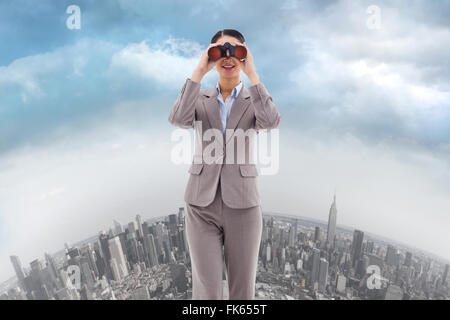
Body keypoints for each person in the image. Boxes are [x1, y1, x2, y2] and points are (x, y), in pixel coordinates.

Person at [168, 29, 281, 299]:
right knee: (206, 289)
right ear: (212, 56)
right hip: (200, 204)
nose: (228, 55)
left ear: (245, 55)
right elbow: (178, 119)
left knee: (242, 291)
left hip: (243, 205)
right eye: (219, 50)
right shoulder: (200, 97)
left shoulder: (254, 98)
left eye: (236, 50)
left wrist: (252, 75)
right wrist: (199, 69)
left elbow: (270, 121)